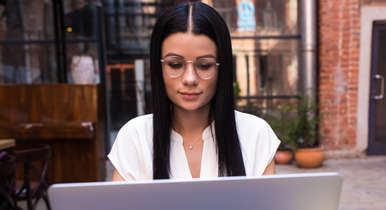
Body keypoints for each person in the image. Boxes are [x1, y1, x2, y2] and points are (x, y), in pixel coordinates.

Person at [108, 1, 280, 181]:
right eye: (175, 65)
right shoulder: (136, 138)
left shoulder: (255, 134)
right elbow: (117, 209)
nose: (190, 79)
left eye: (204, 66)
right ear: (159, 67)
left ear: (222, 68)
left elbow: (268, 209)